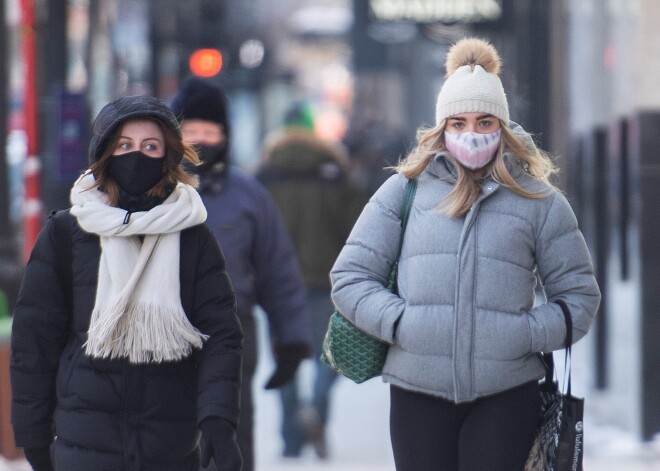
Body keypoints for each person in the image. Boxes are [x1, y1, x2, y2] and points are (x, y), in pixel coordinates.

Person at [329, 38, 601, 471]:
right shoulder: (405, 191)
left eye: (484, 121)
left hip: (507, 394)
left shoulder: (540, 202)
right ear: (442, 128)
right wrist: (401, 322)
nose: (470, 133)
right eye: (457, 122)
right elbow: (349, 278)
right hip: (417, 392)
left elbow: (579, 298)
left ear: (503, 126)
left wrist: (524, 334)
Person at [10, 95, 243, 471]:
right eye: (124, 145)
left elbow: (220, 336)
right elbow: (34, 342)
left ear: (167, 155)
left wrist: (218, 418)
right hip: (83, 443)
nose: (137, 156)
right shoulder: (67, 234)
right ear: (104, 154)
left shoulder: (192, 238)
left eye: (150, 146)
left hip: (170, 446)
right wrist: (32, 432)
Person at [169, 78, 313, 471]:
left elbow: (277, 270)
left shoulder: (249, 196)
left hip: (233, 333)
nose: (200, 140)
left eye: (209, 131)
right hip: (162, 330)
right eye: (190, 130)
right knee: (171, 435)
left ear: (225, 135)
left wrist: (292, 340)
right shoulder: (152, 191)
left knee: (232, 432)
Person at [257, 102, 367, 459]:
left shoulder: (265, 173)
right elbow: (358, 231)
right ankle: (316, 411)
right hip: (327, 280)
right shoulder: (336, 173)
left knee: (285, 357)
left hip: (278, 284)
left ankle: (291, 438)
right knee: (328, 355)